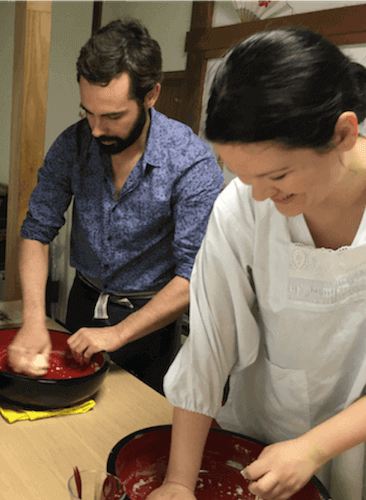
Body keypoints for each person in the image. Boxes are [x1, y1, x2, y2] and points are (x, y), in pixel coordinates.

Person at [152, 28, 366, 500]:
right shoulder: (243, 206)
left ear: (344, 134)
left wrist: (314, 447)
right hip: (259, 439)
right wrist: (179, 482)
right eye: (245, 177)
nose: (262, 196)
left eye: (277, 176)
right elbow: (209, 344)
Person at [7, 19, 224, 394]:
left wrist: (119, 333)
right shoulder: (73, 145)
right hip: (83, 301)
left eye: (112, 117)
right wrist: (33, 319)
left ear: (151, 95)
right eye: (87, 113)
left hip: (150, 322)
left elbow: (193, 276)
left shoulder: (190, 162)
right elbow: (36, 232)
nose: (95, 129)